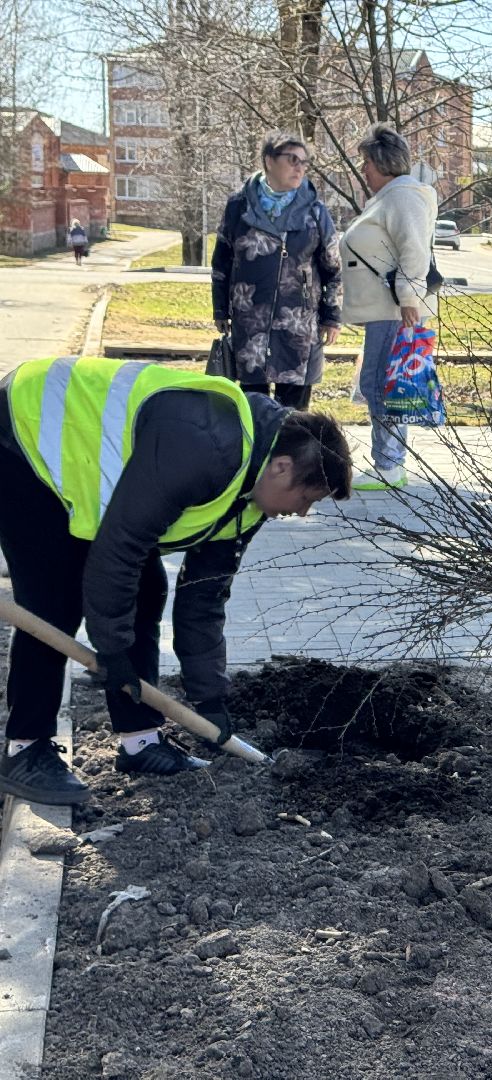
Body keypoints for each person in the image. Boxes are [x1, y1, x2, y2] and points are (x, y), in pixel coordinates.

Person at [0, 356, 353, 806]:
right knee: (54, 597)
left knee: (149, 590)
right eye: (307, 498)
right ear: (283, 467)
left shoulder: (253, 494)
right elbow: (120, 549)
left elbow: (202, 598)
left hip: (86, 467)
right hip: (25, 432)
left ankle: (140, 742)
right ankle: (26, 748)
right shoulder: (206, 445)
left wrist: (209, 701)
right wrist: (112, 650)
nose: (302, 513)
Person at [212, 132, 342, 411]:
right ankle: (256, 455)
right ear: (269, 161)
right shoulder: (238, 207)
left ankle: (288, 456)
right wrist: (220, 309)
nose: (299, 167)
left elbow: (332, 268)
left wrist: (331, 316)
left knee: (293, 419)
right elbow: (222, 261)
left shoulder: (315, 212)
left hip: (298, 327)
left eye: (304, 162)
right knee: (251, 410)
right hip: (250, 325)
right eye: (292, 159)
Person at [340, 122, 438, 490]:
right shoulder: (391, 196)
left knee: (382, 383)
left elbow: (414, 249)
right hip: (386, 308)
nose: (363, 170)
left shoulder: (402, 197)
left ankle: (389, 465)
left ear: (382, 163)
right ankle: (389, 462)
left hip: (395, 309)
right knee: (383, 381)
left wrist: (410, 298)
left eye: (366, 163)